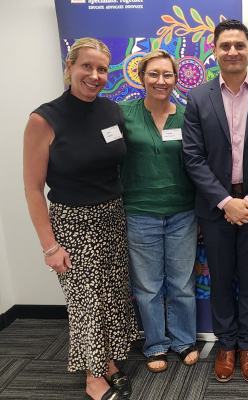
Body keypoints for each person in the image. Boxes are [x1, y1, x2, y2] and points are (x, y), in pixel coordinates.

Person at [23, 38, 139, 400]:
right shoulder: (44, 119)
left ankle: (107, 362)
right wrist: (49, 246)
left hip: (111, 217)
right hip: (72, 224)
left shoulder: (111, 111)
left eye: (102, 69)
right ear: (70, 67)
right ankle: (93, 376)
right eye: (86, 66)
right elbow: (32, 188)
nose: (94, 75)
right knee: (87, 302)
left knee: (112, 295)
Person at [182, 19, 248, 383]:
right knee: (222, 278)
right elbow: (192, 157)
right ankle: (226, 345)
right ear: (214, 51)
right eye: (225, 45)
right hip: (216, 208)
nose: (232, 51)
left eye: (239, 45)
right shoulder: (197, 98)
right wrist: (225, 201)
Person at [119, 50, 199, 373]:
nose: (161, 81)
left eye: (168, 74)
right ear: (142, 77)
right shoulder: (121, 113)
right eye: (154, 74)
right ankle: (155, 344)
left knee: (181, 283)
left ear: (176, 79)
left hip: (183, 213)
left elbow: (198, 165)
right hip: (139, 212)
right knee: (148, 286)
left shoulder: (187, 116)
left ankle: (183, 340)